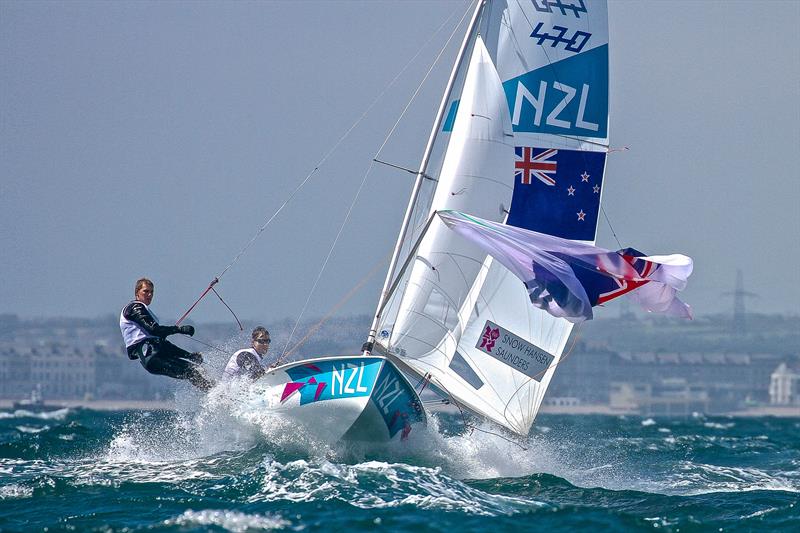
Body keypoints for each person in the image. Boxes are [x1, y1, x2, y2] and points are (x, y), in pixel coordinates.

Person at [119, 278, 215, 391]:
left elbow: (163, 344)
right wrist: (179, 329)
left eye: (152, 292)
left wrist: (190, 356)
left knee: (193, 370)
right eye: (145, 291)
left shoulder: (145, 311)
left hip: (156, 355)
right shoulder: (134, 307)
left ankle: (215, 391)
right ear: (137, 293)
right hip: (152, 357)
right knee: (191, 372)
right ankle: (214, 393)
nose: (149, 294)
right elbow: (154, 330)